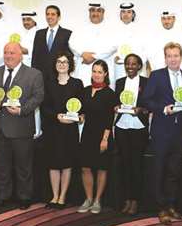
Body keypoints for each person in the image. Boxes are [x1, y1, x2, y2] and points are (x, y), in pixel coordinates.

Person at [0, 42, 44, 209]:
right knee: (1, 165)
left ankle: (24, 197)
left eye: (12, 53)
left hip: (21, 127)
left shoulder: (34, 74)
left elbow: (38, 97)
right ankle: (2, 196)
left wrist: (22, 110)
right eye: (6, 52)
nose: (8, 56)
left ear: (21, 54)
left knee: (24, 166)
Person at [142, 42, 182, 225]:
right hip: (161, 132)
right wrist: (163, 109)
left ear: (181, 57)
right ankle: (161, 208)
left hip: (180, 133)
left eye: (176, 55)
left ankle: (171, 205)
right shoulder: (156, 76)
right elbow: (146, 100)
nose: (173, 59)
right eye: (169, 56)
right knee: (160, 170)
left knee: (174, 171)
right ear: (165, 58)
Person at [40, 51, 83, 209]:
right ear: (55, 64)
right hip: (53, 128)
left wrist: (78, 117)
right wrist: (56, 116)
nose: (62, 64)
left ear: (70, 65)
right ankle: (54, 196)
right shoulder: (49, 83)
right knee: (53, 163)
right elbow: (44, 107)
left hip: (69, 130)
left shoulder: (77, 84)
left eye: (65, 62)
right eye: (59, 61)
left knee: (66, 163)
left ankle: (63, 197)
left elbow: (81, 107)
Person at [77, 60, 115, 214]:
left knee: (101, 168)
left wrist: (105, 139)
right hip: (87, 133)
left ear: (105, 74)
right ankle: (88, 199)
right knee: (85, 167)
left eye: (100, 72)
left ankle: (98, 200)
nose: (96, 74)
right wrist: (79, 117)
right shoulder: (85, 91)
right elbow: (83, 112)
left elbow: (109, 118)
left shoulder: (110, 93)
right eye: (94, 71)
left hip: (102, 135)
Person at [114, 54, 149, 215]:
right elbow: (116, 102)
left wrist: (140, 109)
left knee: (137, 166)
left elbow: (149, 105)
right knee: (124, 165)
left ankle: (135, 200)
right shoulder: (120, 82)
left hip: (138, 127)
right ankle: (126, 199)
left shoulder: (146, 82)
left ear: (139, 66)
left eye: (134, 64)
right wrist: (116, 107)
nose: (130, 66)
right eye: (128, 64)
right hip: (122, 126)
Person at [70, 3, 116, 85]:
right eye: (92, 10)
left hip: (103, 68)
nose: (95, 13)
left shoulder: (111, 29)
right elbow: (72, 43)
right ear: (89, 12)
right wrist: (82, 54)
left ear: (103, 12)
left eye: (99, 11)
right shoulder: (79, 27)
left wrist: (94, 56)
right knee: (82, 93)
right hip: (82, 69)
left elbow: (112, 47)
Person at [32, 5, 72, 78]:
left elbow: (70, 56)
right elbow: (35, 56)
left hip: (59, 76)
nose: (49, 17)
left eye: (53, 14)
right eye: (47, 14)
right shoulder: (39, 33)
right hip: (41, 76)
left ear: (59, 17)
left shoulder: (67, 33)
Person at [112, 3, 147, 82]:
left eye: (129, 12)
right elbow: (112, 49)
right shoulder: (114, 30)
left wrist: (138, 64)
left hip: (137, 69)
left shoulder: (141, 30)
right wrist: (116, 56)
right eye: (123, 12)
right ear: (120, 14)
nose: (126, 15)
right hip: (120, 69)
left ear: (133, 14)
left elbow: (145, 50)